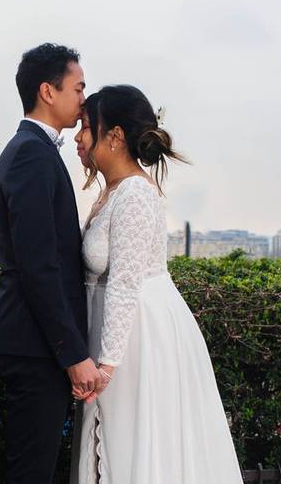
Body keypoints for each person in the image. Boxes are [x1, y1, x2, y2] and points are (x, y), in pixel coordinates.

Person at [70, 84, 243, 483]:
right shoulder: (113, 191)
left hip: (136, 340)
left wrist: (107, 367)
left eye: (85, 127)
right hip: (120, 334)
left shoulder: (134, 194)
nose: (78, 138)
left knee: (134, 443)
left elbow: (126, 283)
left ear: (114, 137)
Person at [0, 43, 107, 483]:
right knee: (30, 472)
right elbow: (40, 266)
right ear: (47, 91)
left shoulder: (31, 151)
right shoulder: (32, 155)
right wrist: (73, 354)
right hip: (35, 345)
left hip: (32, 341)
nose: (82, 97)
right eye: (78, 87)